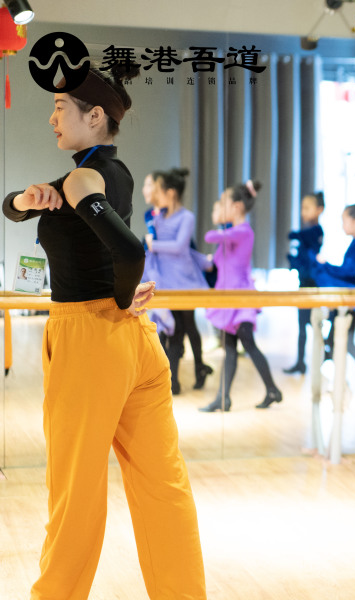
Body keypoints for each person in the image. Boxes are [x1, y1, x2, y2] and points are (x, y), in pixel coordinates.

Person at [2, 65, 205, 599]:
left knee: (74, 497)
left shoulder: (79, 180)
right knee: (164, 489)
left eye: (59, 108)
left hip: (88, 339)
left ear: (94, 116)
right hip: (136, 342)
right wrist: (25, 199)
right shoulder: (112, 172)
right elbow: (11, 207)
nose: (51, 119)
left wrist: (116, 295)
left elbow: (131, 251)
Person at [200, 181, 283, 412]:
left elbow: (210, 236)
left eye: (223, 203)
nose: (220, 207)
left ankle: (272, 390)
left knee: (248, 344)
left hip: (241, 298)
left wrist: (218, 221)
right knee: (230, 347)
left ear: (236, 207)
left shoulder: (242, 231)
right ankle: (223, 398)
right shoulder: (231, 235)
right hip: (229, 299)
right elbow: (214, 262)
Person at [145, 167, 213, 395]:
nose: (156, 195)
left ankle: (193, 372)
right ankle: (176, 380)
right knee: (175, 330)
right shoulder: (158, 218)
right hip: (167, 282)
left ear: (171, 193)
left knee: (187, 327)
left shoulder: (186, 217)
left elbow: (180, 247)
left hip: (185, 281)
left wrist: (154, 245)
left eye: (159, 190)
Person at [313, 203, 355, 363]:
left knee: (345, 343)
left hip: (350, 301)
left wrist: (325, 265)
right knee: (336, 341)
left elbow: (349, 272)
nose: (342, 226)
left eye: (344, 221)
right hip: (348, 299)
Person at [283, 191, 325, 375]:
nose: (303, 212)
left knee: (310, 322)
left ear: (319, 210)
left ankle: (325, 354)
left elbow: (294, 235)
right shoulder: (310, 232)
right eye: (302, 208)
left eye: (307, 208)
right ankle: (301, 361)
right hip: (305, 281)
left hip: (311, 283)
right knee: (303, 323)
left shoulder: (315, 231)